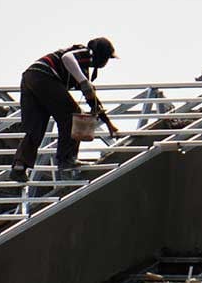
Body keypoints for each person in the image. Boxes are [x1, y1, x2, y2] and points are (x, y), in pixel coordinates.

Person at [10, 37, 120, 182]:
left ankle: (19, 166)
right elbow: (67, 58)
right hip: (44, 75)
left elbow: (91, 99)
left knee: (36, 127)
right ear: (101, 55)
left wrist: (108, 123)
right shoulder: (84, 54)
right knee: (72, 116)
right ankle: (66, 159)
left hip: (30, 78)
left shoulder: (83, 70)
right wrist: (83, 81)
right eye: (107, 58)